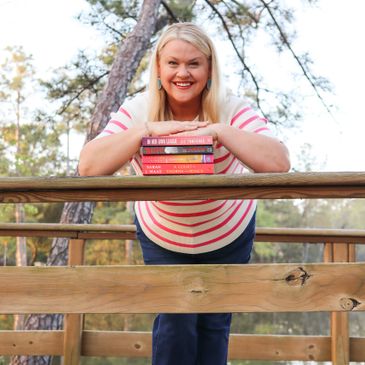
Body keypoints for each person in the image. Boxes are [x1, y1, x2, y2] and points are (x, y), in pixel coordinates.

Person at [79, 22, 290, 365]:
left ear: (209, 69)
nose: (183, 73)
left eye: (194, 63)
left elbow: (279, 161)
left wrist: (220, 130)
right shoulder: (139, 109)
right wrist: (146, 130)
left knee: (213, 327)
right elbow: (89, 166)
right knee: (175, 327)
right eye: (173, 63)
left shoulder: (231, 107)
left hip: (228, 232)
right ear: (159, 68)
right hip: (164, 235)